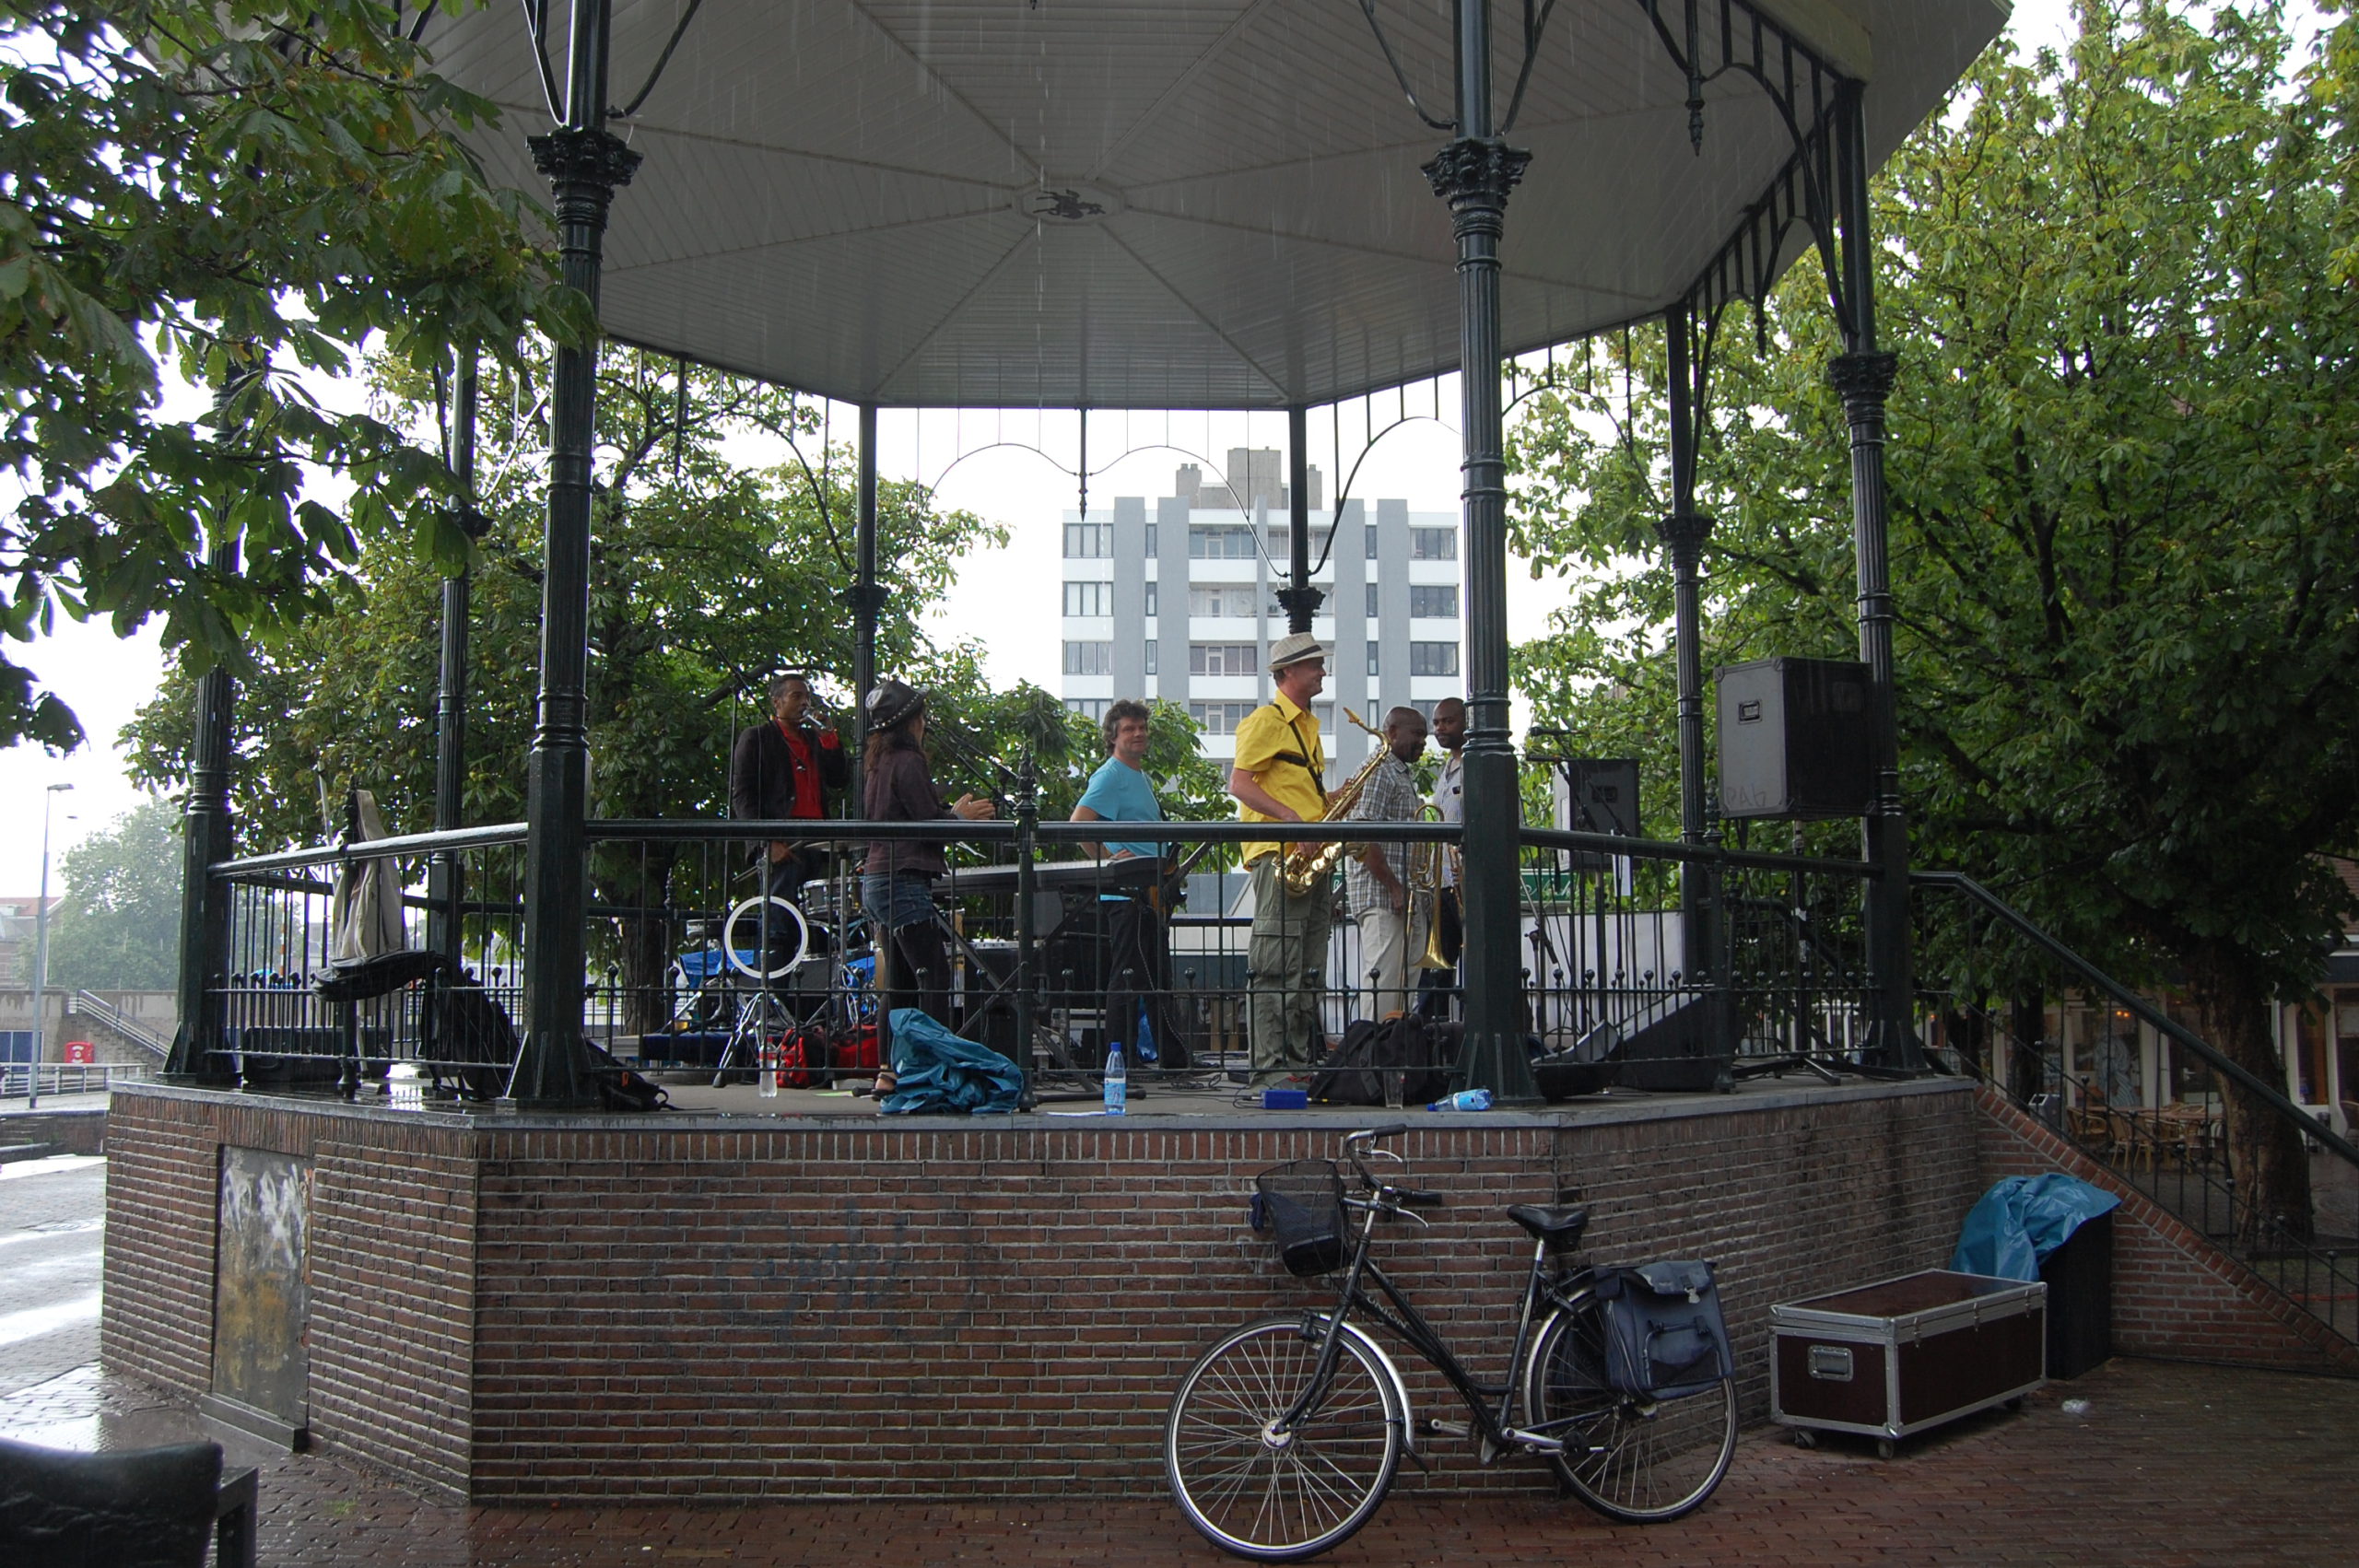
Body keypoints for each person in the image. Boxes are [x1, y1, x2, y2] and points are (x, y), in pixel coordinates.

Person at [860, 680, 993, 1058]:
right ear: (914, 722)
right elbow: (927, 823)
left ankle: (888, 1072)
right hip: (903, 880)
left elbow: (908, 816)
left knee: (900, 983)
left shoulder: (879, 762)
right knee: (934, 977)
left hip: (879, 878)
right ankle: (933, 1066)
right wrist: (960, 818)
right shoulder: (909, 759)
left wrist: (952, 816)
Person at [1228, 632, 1334, 1084]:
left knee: (1307, 966)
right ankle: (1270, 1069)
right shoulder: (1265, 721)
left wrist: (1331, 804)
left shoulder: (1308, 726)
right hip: (1280, 854)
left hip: (1310, 856)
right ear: (1288, 671)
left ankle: (1297, 1065)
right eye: (1314, 664)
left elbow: (1295, 789)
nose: (1322, 671)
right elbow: (1239, 783)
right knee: (1275, 965)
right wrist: (1292, 819)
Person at [1072, 698, 1176, 1068]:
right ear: (1113, 737)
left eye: (1142, 728)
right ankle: (1120, 1060)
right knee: (1128, 978)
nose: (1138, 734)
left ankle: (1171, 1058)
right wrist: (1107, 860)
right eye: (1129, 729)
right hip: (1127, 893)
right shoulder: (1111, 776)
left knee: (1155, 978)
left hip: (1149, 891)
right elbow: (1078, 823)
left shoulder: (1139, 776)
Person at [728, 673, 849, 936]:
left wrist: (828, 738)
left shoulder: (813, 739)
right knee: (779, 917)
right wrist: (765, 842)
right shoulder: (758, 737)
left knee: (817, 919)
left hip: (817, 837)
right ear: (777, 702)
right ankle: (774, 962)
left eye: (807, 697)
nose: (804, 703)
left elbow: (840, 779)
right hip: (783, 838)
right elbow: (743, 795)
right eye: (796, 696)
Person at [1344, 705, 1428, 1023]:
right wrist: (1394, 886)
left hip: (1402, 895)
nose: (1423, 741)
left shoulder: (1398, 771)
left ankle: (1395, 1046)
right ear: (1392, 732)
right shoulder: (1380, 769)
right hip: (1383, 895)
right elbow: (1362, 834)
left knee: (1402, 985)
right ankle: (1374, 1047)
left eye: (1425, 735)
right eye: (1417, 734)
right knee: (1385, 982)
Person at [1417, 696, 1466, 1019]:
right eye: (1436, 723)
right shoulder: (1446, 769)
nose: (1439, 729)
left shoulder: (1476, 764)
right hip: (1445, 883)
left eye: (1447, 721)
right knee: (1436, 970)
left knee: (1477, 961)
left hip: (1470, 882)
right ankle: (1431, 1034)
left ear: (1466, 723)